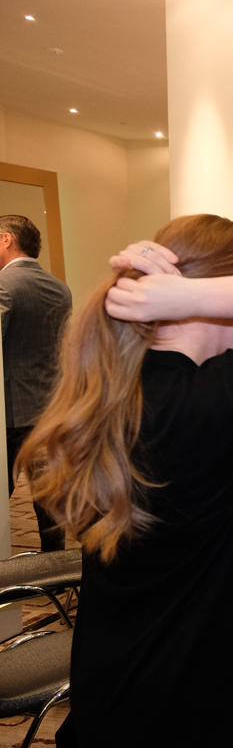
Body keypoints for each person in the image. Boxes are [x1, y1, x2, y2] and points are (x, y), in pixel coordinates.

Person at [16, 214, 233, 748]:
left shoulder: (123, 390)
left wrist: (184, 295)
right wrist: (192, 295)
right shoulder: (210, 401)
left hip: (127, 682)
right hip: (202, 696)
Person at [0, 214, 71, 551]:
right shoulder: (60, 287)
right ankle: (54, 565)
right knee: (49, 496)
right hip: (50, 406)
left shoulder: (3, 284)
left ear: (6, 239)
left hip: (9, 410)